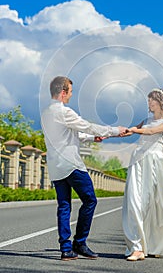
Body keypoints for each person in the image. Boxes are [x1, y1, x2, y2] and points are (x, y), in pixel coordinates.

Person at [41, 76, 126, 261]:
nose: (71, 95)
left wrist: (90, 138)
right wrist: (114, 131)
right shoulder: (65, 112)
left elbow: (68, 134)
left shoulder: (46, 113)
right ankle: (79, 243)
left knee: (64, 206)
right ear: (63, 93)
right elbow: (87, 125)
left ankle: (66, 249)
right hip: (71, 165)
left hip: (55, 167)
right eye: (70, 91)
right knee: (90, 200)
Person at [122, 88, 163, 261]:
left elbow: (151, 132)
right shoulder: (145, 120)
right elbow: (133, 130)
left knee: (152, 205)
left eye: (151, 100)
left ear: (160, 102)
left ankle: (154, 245)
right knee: (134, 202)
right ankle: (137, 248)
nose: (149, 103)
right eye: (148, 100)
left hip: (154, 163)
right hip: (138, 161)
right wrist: (117, 132)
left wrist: (136, 130)